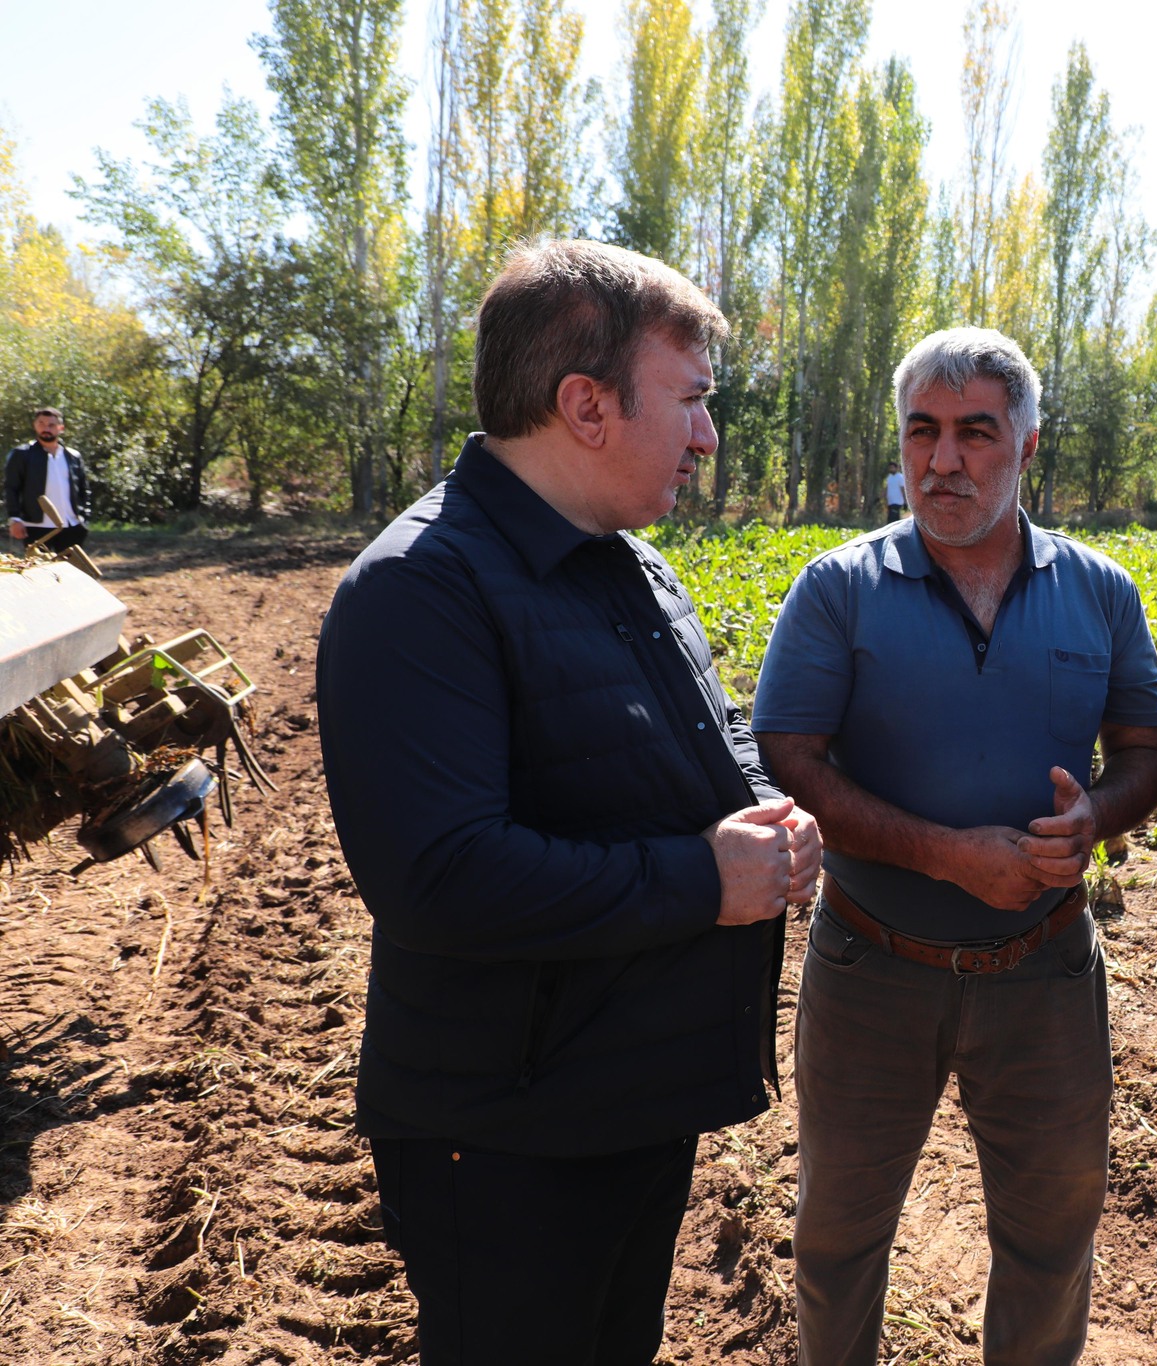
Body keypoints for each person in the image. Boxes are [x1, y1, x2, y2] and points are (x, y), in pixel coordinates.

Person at [317, 239, 821, 1366]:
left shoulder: (627, 561)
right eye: (689, 401)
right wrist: (706, 877)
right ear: (585, 405)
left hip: (623, 1102)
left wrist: (771, 819)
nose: (707, 435)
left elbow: (712, 740)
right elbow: (440, 877)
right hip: (504, 1139)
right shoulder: (420, 588)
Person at [752, 327, 1157, 1366]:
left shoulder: (1099, 592)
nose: (942, 461)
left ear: (1027, 449)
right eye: (922, 432)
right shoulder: (838, 588)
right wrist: (944, 854)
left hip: (1041, 973)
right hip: (868, 967)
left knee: (1049, 1236)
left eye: (975, 433)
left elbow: (1145, 751)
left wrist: (1096, 818)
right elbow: (791, 753)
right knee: (839, 1233)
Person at [5, 406, 90, 554]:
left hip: (71, 524)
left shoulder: (72, 456)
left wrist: (85, 517)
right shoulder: (22, 454)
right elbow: (11, 487)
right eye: (41, 424)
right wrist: (15, 518)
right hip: (36, 525)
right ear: (35, 425)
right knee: (38, 571)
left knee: (70, 572)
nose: (46, 428)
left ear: (61, 428)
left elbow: (84, 488)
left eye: (51, 425)